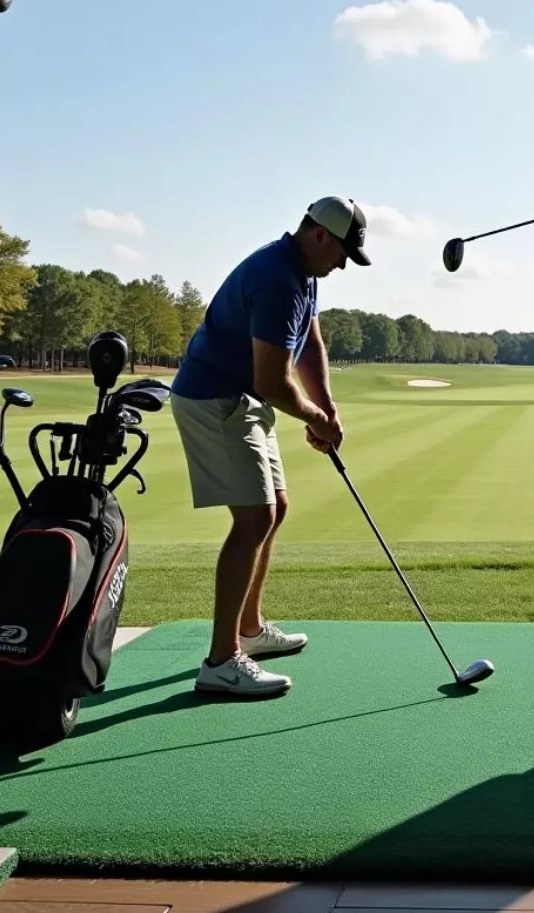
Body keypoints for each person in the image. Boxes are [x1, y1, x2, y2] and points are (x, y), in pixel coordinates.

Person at [169, 196, 370, 698]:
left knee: (275, 508)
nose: (343, 264)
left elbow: (311, 345)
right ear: (319, 234)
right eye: (343, 251)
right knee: (254, 518)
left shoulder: (304, 275)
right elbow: (274, 380)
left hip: (242, 396)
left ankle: (250, 631)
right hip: (215, 397)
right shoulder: (278, 278)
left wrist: (328, 407)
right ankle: (220, 661)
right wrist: (315, 419)